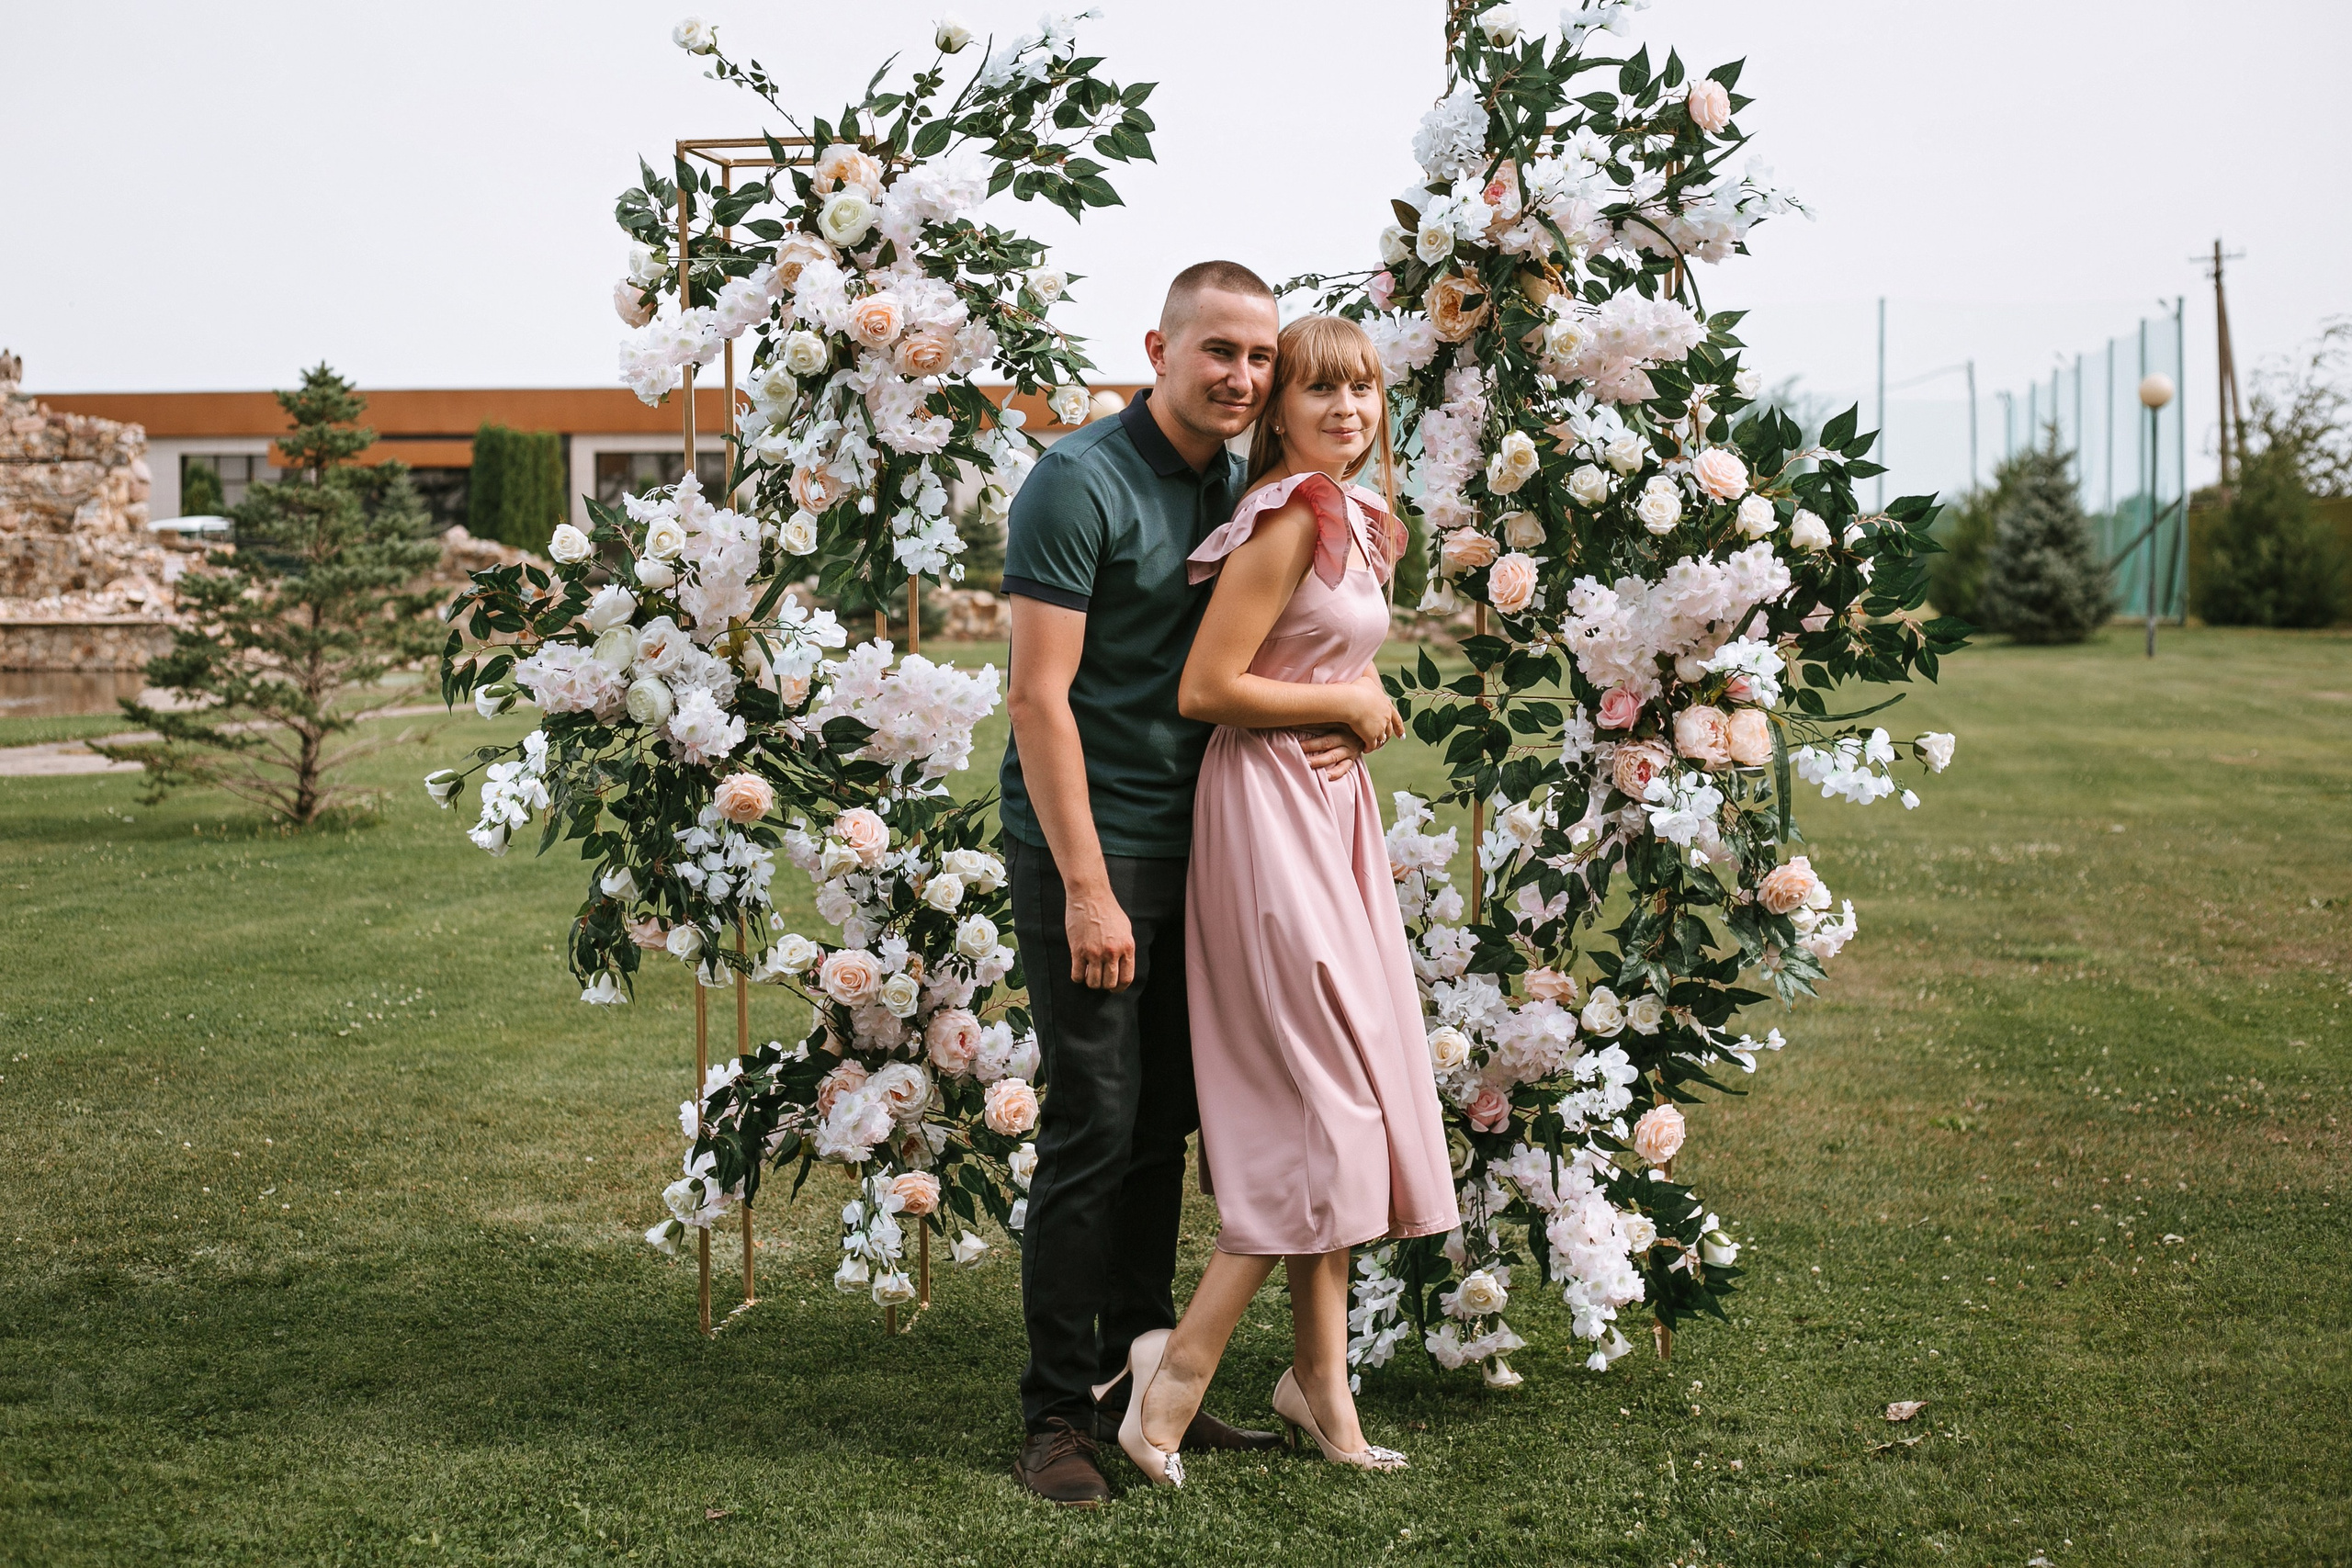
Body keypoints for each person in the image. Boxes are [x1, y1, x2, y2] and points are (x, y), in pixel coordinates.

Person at [1000, 263, 1366, 1506]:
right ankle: (1056, 1418)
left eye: (1260, 357)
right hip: (1093, 845)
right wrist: (1088, 888)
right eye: (1219, 351)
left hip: (1215, 845)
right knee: (1095, 1122)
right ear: (1158, 344)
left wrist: (1358, 714)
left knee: (1168, 1125)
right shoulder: (1079, 480)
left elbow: (1301, 638)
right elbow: (1036, 695)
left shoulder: (1246, 482)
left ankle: (1148, 1376)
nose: (1243, 377)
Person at [1106, 314, 1461, 1487]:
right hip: (1265, 822)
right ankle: (1176, 1384)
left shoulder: (1359, 519)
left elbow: (1315, 661)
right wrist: (1344, 707)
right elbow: (1208, 684)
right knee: (1331, 1105)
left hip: (1330, 820)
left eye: (1362, 391)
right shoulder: (1286, 517)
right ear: (1279, 410)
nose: (1347, 411)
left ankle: (1322, 1391)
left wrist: (1356, 697)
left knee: (1348, 1092)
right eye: (1319, 392)